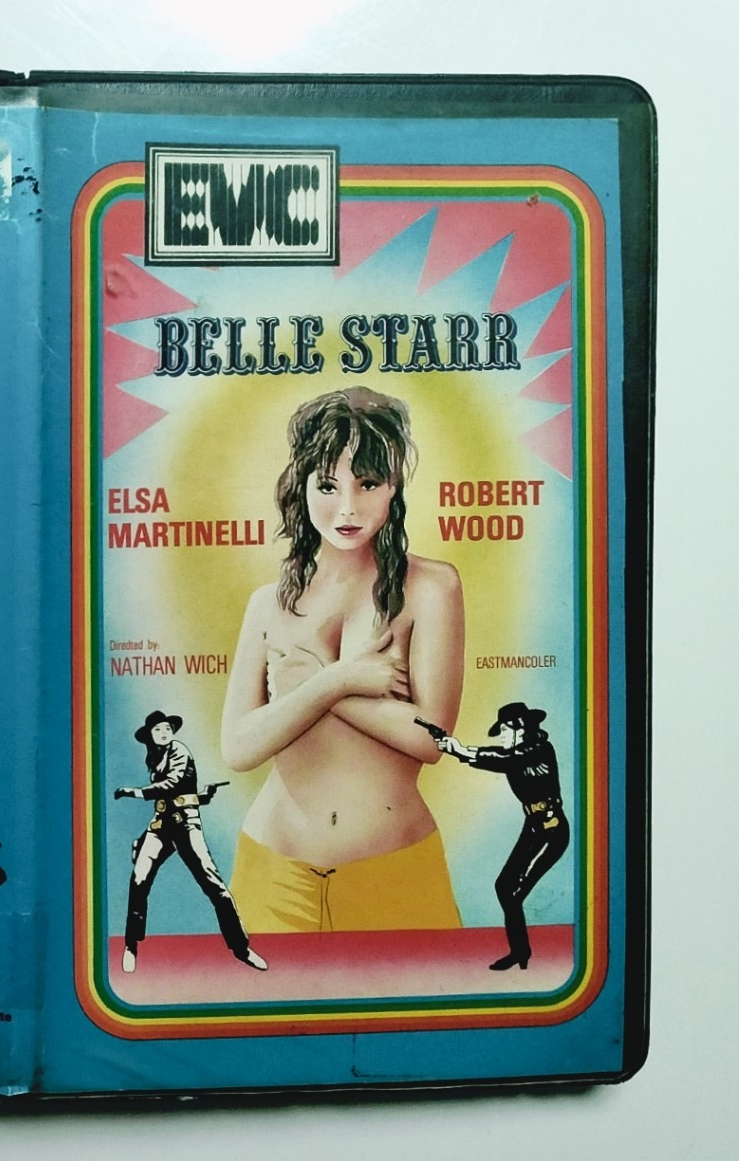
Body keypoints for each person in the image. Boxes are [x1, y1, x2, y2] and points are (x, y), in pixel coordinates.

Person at [219, 387, 465, 933]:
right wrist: (341, 681)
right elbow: (238, 747)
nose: (348, 508)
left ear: (394, 485)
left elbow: (431, 740)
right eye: (327, 485)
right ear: (301, 485)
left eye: (368, 483)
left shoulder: (432, 588)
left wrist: (313, 684)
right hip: (273, 873)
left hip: (395, 873)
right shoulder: (268, 604)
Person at [114, 710, 266, 973]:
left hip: (185, 825)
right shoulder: (154, 756)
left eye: (167, 728)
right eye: (158, 730)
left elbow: (172, 784)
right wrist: (203, 796)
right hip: (161, 824)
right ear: (150, 736)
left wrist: (136, 792)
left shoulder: (179, 751)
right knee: (138, 880)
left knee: (214, 885)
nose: (164, 733)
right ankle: (131, 945)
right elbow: (180, 792)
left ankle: (241, 948)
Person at [430, 702, 569, 970]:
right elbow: (503, 758)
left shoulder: (538, 749)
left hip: (551, 829)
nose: (501, 736)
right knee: (504, 887)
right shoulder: (516, 754)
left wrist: (460, 750)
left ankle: (521, 954)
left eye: (505, 730)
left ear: (520, 729)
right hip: (534, 826)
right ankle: (520, 952)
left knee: (513, 893)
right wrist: (456, 750)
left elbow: (507, 759)